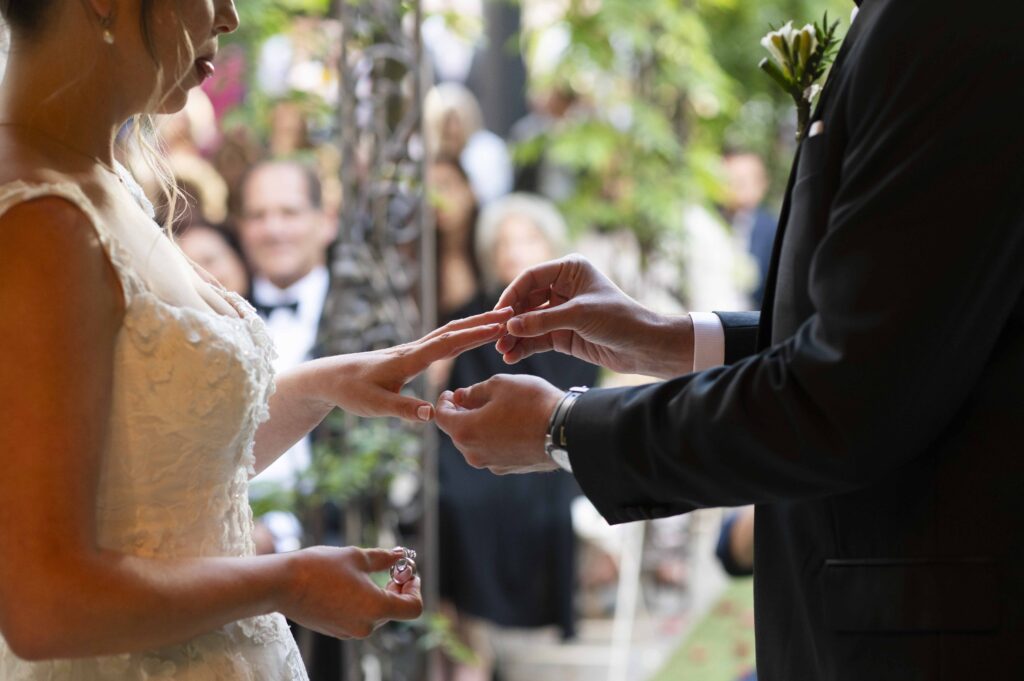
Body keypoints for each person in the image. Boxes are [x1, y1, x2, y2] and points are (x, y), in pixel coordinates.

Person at [436, 1, 1024, 678]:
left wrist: (565, 429)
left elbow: (846, 395)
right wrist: (664, 338)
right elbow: (889, 333)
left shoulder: (948, 23)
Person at [0, 1, 514, 677]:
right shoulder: (38, 218)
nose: (230, 15)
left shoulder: (100, 176)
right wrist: (284, 580)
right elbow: (44, 604)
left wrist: (325, 383)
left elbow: (164, 480)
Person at [437, 194, 597, 681]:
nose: (514, 251)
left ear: (550, 245)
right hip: (476, 446)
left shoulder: (581, 313)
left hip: (557, 443)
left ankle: (482, 642)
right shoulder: (476, 311)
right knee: (449, 497)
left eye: (526, 238)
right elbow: (453, 387)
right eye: (503, 242)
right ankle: (468, 644)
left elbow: (583, 391)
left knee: (521, 491)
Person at [719, 149, 776, 307]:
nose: (735, 187)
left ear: (762, 184)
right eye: (730, 180)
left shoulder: (772, 230)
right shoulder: (708, 221)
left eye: (743, 181)